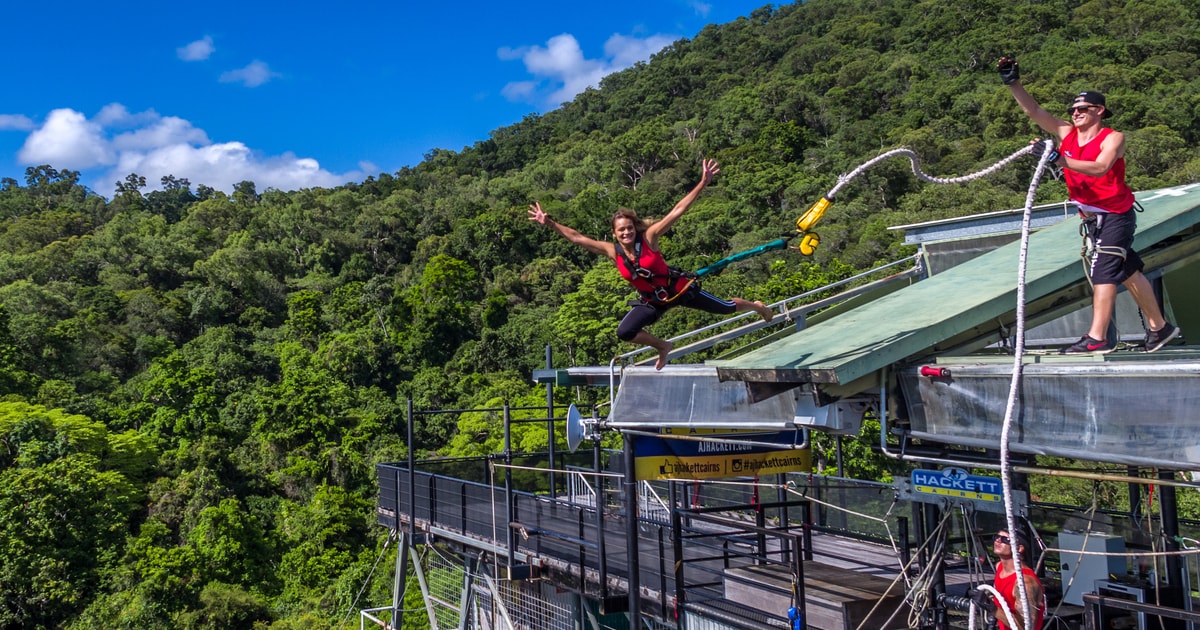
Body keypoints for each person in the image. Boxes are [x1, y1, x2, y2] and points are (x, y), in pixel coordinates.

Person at [998, 55, 1180, 354]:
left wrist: (1059, 159)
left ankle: (1097, 338)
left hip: (1115, 215)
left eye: (1084, 109)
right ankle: (1161, 328)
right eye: (1073, 109)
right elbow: (1033, 109)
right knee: (1128, 271)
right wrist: (1012, 82)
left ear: (1100, 111)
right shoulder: (1066, 133)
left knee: (1104, 271)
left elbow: (1100, 167)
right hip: (1092, 217)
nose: (1076, 112)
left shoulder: (1114, 138)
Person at [528, 158, 773, 370]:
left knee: (727, 308)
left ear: (635, 228)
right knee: (625, 332)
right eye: (621, 230)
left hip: (680, 290)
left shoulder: (649, 238)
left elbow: (677, 211)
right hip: (654, 302)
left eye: (629, 228)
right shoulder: (612, 251)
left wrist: (702, 183)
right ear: (614, 234)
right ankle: (663, 346)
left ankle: (757, 306)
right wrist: (549, 222)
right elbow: (577, 237)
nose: (626, 233)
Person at [992, 527, 1045, 630]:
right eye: (997, 537)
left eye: (1005, 539)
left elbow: (1027, 627)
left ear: (1020, 548)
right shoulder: (999, 567)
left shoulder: (1024, 583)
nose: (998, 540)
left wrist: (993, 609)